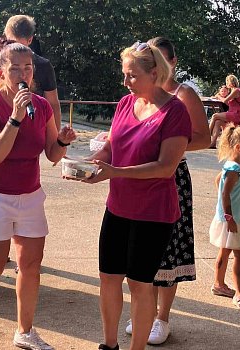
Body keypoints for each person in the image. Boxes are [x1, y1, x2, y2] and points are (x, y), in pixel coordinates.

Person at [0, 42, 76, 350]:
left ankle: (24, 331)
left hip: (29, 193)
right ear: (1, 72)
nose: (23, 74)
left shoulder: (42, 106)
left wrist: (62, 141)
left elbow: (51, 155)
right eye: (15, 69)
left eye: (28, 68)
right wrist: (16, 118)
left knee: (31, 265)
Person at [84, 41, 192, 350]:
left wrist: (115, 172)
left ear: (154, 72)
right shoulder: (124, 104)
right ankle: (109, 344)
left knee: (140, 284)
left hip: (154, 213)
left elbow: (165, 167)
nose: (125, 82)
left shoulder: (175, 111)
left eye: (131, 75)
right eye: (124, 74)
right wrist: (92, 163)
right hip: (118, 206)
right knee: (108, 277)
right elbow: (112, 147)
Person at [124, 36, 211, 345]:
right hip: (138, 177)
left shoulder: (183, 94)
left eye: (159, 60)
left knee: (168, 248)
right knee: (141, 248)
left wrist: (170, 144)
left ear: (172, 63)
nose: (154, 66)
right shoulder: (139, 95)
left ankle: (162, 317)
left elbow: (203, 138)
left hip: (172, 175)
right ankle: (143, 312)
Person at [0, 15, 62, 131]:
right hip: (0, 126)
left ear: (30, 40)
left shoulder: (43, 65)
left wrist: (55, 140)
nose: (15, 52)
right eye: (14, 68)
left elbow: (53, 103)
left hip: (32, 127)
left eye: (27, 68)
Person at [209, 123, 240, 308]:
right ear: (238, 147)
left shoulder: (230, 166)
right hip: (233, 220)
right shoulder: (235, 169)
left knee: (224, 251)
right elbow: (224, 192)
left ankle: (219, 284)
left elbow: (218, 180)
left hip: (228, 218)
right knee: (238, 255)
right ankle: (238, 292)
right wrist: (229, 216)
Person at [209, 74, 240, 148]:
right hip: (232, 113)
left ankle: (206, 134)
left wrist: (218, 96)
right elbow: (228, 103)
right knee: (217, 122)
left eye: (227, 82)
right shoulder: (233, 91)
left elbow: (225, 100)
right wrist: (218, 97)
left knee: (215, 116)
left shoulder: (236, 90)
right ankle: (213, 143)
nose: (226, 84)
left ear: (230, 82)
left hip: (236, 115)